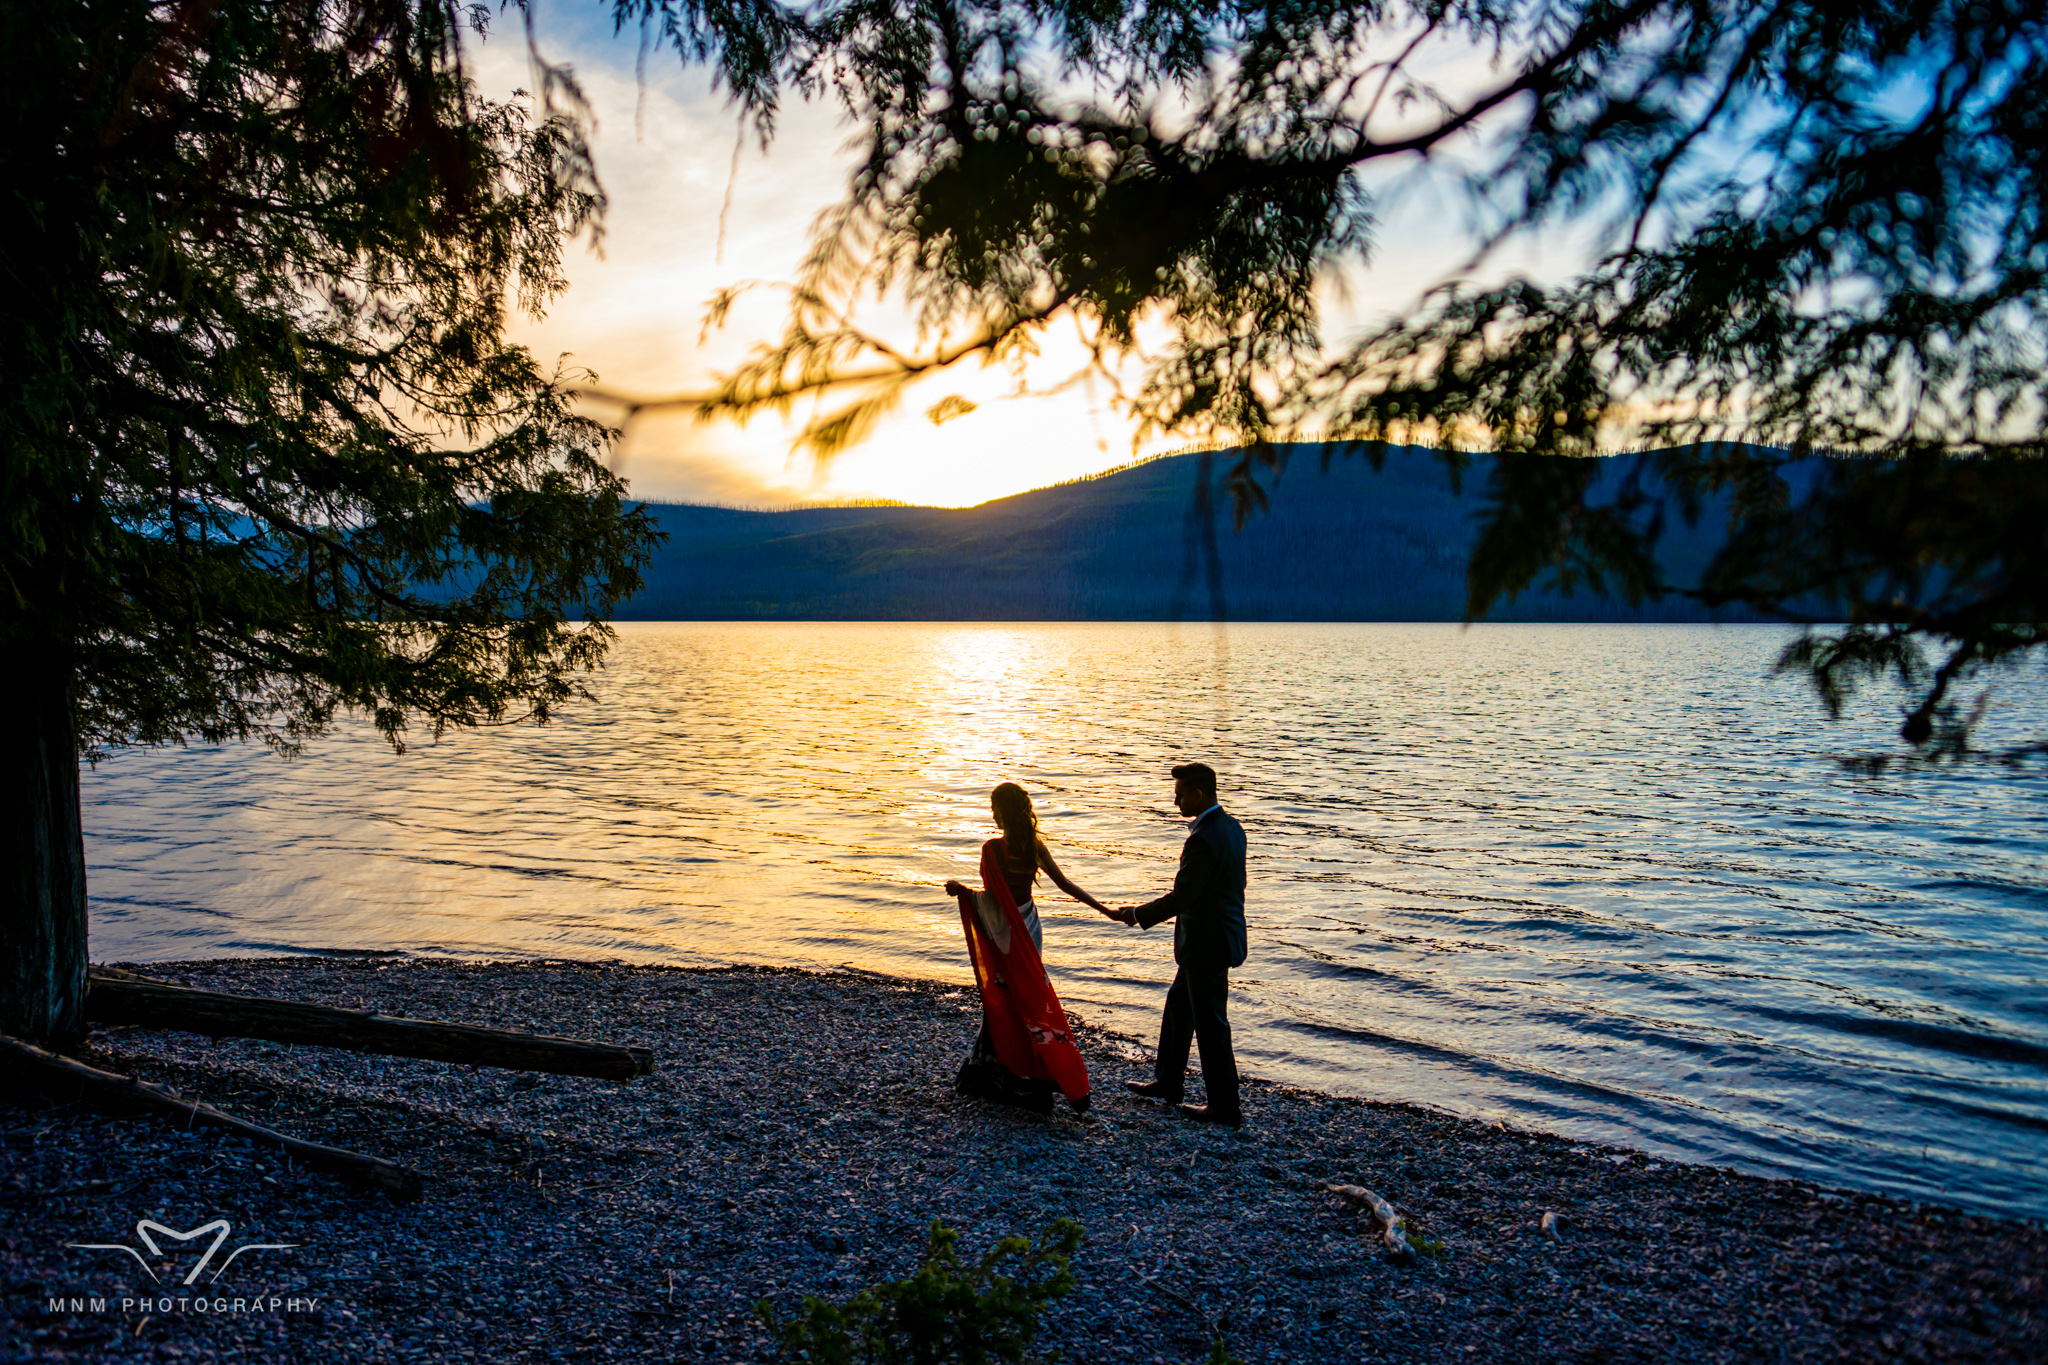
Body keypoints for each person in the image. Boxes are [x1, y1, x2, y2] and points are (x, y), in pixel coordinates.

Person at [944, 783, 1118, 1115]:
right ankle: (1032, 1073)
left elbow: (992, 901)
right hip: (1030, 930)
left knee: (1003, 999)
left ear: (1003, 812)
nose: (992, 813)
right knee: (1029, 999)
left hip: (1005, 935)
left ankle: (999, 1072)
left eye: (994, 807)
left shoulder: (993, 850)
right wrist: (1106, 910)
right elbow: (1066, 885)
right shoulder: (1034, 847)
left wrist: (962, 892)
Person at [1114, 762, 1249, 1127]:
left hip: (1207, 944)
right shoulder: (1232, 829)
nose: (1175, 801)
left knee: (1211, 1025)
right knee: (1178, 1009)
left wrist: (1138, 914)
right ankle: (1169, 1082)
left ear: (1198, 795)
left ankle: (1225, 1107)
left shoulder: (1203, 839)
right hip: (1213, 939)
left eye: (1179, 794)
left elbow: (1183, 897)